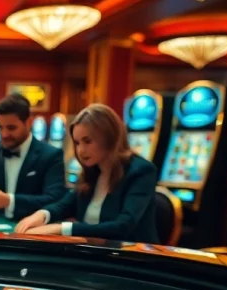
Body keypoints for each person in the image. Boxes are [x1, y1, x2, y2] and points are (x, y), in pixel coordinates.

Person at [15, 103, 158, 243]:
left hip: (133, 254)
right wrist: (42, 215)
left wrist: (62, 228)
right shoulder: (93, 171)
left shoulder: (141, 171)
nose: (81, 150)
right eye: (77, 143)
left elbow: (122, 227)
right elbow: (65, 205)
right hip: (93, 251)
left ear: (109, 137)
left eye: (87, 141)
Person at [0, 93, 66, 219]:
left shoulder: (51, 155)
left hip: (35, 227)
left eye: (11, 128)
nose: (4, 134)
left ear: (29, 122)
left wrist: (9, 201)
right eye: (0, 127)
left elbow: (54, 199)